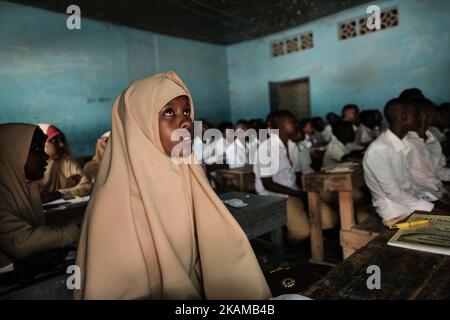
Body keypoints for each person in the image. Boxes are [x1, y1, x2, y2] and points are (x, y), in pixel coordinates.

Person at [74, 71, 271, 300]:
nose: (186, 121)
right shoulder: (111, 205)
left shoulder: (188, 172)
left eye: (186, 111)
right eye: (169, 112)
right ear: (139, 124)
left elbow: (217, 248)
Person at [0, 124, 79, 263]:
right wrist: (76, 230)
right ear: (13, 154)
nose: (44, 156)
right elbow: (21, 244)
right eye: (37, 149)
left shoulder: (27, 186)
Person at [253, 110, 337, 243]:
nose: (297, 124)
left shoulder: (293, 146)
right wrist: (299, 195)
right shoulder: (266, 149)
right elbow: (267, 184)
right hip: (274, 194)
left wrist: (306, 192)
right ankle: (286, 240)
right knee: (302, 233)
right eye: (292, 122)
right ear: (282, 125)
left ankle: (307, 228)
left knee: (330, 220)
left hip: (294, 191)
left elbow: (296, 173)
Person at [363, 98, 435, 226]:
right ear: (403, 118)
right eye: (417, 115)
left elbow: (408, 184)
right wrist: (430, 208)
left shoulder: (404, 142)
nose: (421, 118)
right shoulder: (379, 150)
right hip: (396, 214)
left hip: (409, 204)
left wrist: (428, 201)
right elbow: (394, 193)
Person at [37, 124, 92, 202]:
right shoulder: (31, 165)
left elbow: (87, 186)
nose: (61, 144)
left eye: (61, 140)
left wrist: (59, 193)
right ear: (42, 144)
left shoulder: (67, 161)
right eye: (54, 141)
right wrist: (69, 190)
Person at [404, 98, 446, 199]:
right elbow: (421, 180)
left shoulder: (431, 138)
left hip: (435, 191)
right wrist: (443, 193)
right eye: (429, 116)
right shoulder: (408, 142)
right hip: (419, 197)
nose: (434, 119)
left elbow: (438, 170)